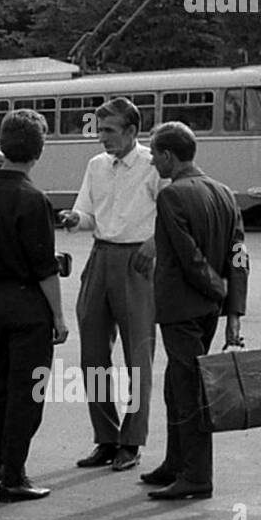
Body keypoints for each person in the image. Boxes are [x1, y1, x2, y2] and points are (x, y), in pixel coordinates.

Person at [0, 109, 67, 503]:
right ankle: (14, 475)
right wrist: (57, 317)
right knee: (29, 392)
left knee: (3, 387)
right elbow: (44, 268)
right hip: (28, 305)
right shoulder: (33, 199)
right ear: (38, 150)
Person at [142, 121, 248, 501]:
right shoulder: (223, 192)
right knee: (177, 384)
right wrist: (231, 307)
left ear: (169, 155)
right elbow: (238, 255)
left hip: (181, 306)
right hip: (206, 311)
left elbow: (189, 257)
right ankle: (176, 462)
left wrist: (214, 287)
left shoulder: (172, 196)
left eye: (154, 154)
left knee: (189, 391)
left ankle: (196, 475)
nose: (152, 161)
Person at [60, 97, 162, 474]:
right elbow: (87, 213)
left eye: (110, 131)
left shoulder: (154, 165)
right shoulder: (97, 165)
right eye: (99, 130)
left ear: (133, 131)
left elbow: (172, 210)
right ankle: (106, 436)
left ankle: (132, 440)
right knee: (92, 356)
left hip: (138, 261)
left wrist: (155, 243)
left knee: (138, 356)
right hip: (101, 256)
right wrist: (75, 218)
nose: (102, 138)